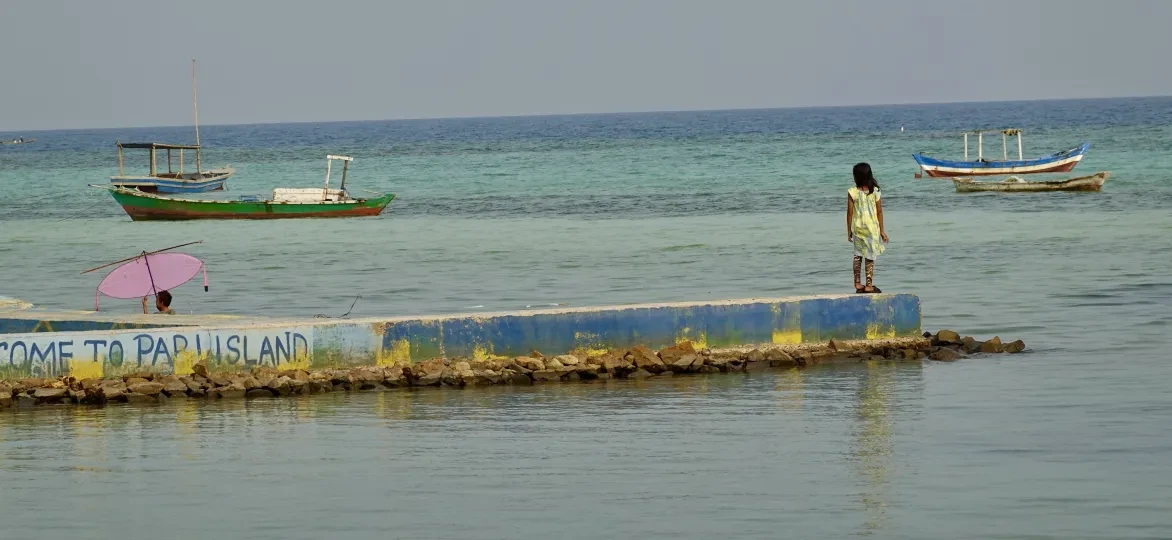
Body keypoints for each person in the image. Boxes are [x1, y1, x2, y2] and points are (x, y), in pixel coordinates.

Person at [846, 163, 888, 293]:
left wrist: (849, 231)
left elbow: (849, 213)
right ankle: (869, 285)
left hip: (858, 228)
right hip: (872, 229)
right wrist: (882, 231)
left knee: (858, 256)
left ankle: (858, 283)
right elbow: (879, 212)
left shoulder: (852, 192)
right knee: (870, 257)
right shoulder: (875, 191)